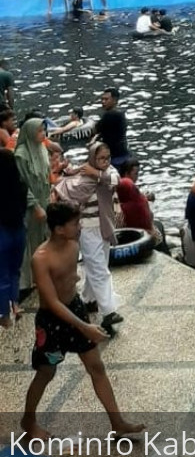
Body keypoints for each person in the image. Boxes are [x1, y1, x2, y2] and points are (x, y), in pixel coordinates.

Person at [20, 203, 144, 443]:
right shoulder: (41, 259)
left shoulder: (73, 244)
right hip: (52, 321)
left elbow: (73, 277)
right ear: (58, 229)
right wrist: (84, 326)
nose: (79, 227)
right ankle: (28, 420)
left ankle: (117, 422)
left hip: (74, 307)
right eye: (75, 224)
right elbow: (52, 301)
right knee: (46, 372)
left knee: (96, 367)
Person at [54, 142, 123, 336]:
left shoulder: (108, 173)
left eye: (107, 158)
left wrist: (97, 173)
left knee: (100, 265)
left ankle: (89, 300)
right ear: (93, 157)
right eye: (100, 158)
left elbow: (115, 181)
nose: (105, 161)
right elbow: (69, 189)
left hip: (105, 227)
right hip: (87, 229)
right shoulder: (83, 176)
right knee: (99, 269)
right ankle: (109, 311)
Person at [16, 118, 51, 295]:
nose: (43, 134)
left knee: (44, 235)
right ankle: (29, 279)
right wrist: (35, 205)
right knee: (30, 240)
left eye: (44, 130)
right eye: (39, 131)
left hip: (45, 197)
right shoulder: (21, 155)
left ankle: (43, 273)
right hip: (30, 205)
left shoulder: (42, 148)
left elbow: (46, 175)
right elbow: (21, 184)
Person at [0, 148, 27, 326]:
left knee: (2, 274)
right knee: (15, 269)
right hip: (19, 230)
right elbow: (24, 208)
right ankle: (16, 304)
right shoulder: (21, 185)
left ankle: (4, 314)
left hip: (2, 232)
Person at [115, 158, 165, 252]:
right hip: (144, 239)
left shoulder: (124, 194)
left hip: (132, 238)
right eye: (136, 174)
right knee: (159, 226)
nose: (137, 177)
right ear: (126, 174)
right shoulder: (137, 198)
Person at [93, 88, 131, 172]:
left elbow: (96, 129)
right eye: (102, 99)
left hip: (114, 157)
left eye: (106, 99)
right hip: (124, 153)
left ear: (114, 100)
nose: (103, 102)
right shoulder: (121, 114)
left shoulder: (110, 115)